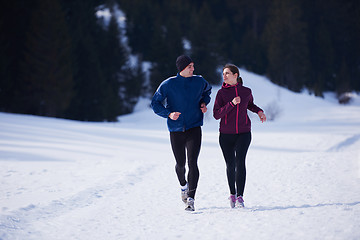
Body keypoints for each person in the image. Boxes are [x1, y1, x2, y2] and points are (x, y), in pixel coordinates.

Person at [151, 55, 212, 211]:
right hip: (176, 129)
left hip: (194, 127)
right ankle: (183, 186)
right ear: (182, 68)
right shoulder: (168, 84)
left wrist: (203, 102)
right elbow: (155, 103)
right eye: (190, 66)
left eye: (193, 65)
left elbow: (207, 91)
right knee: (180, 164)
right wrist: (168, 114)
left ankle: (191, 198)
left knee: (193, 162)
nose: (193, 69)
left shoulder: (199, 81)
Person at [213, 64, 266, 208]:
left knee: (240, 162)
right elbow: (216, 114)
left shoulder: (246, 91)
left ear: (236, 75)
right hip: (225, 135)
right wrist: (231, 104)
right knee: (230, 165)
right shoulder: (221, 94)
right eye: (223, 74)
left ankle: (241, 196)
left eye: (227, 73)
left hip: (244, 133)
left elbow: (250, 105)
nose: (224, 76)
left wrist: (259, 111)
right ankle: (232, 194)